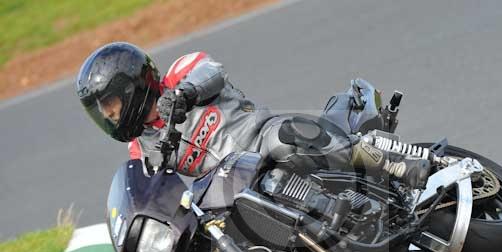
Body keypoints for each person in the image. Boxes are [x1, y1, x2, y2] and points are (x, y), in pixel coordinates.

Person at [76, 42, 429, 187]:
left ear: (130, 86)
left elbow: (212, 70)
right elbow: (153, 190)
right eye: (103, 111)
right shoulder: (141, 149)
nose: (109, 115)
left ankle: (394, 162)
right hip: (234, 188)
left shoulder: (181, 72)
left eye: (110, 104)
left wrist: (184, 94)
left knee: (285, 138)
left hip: (263, 138)